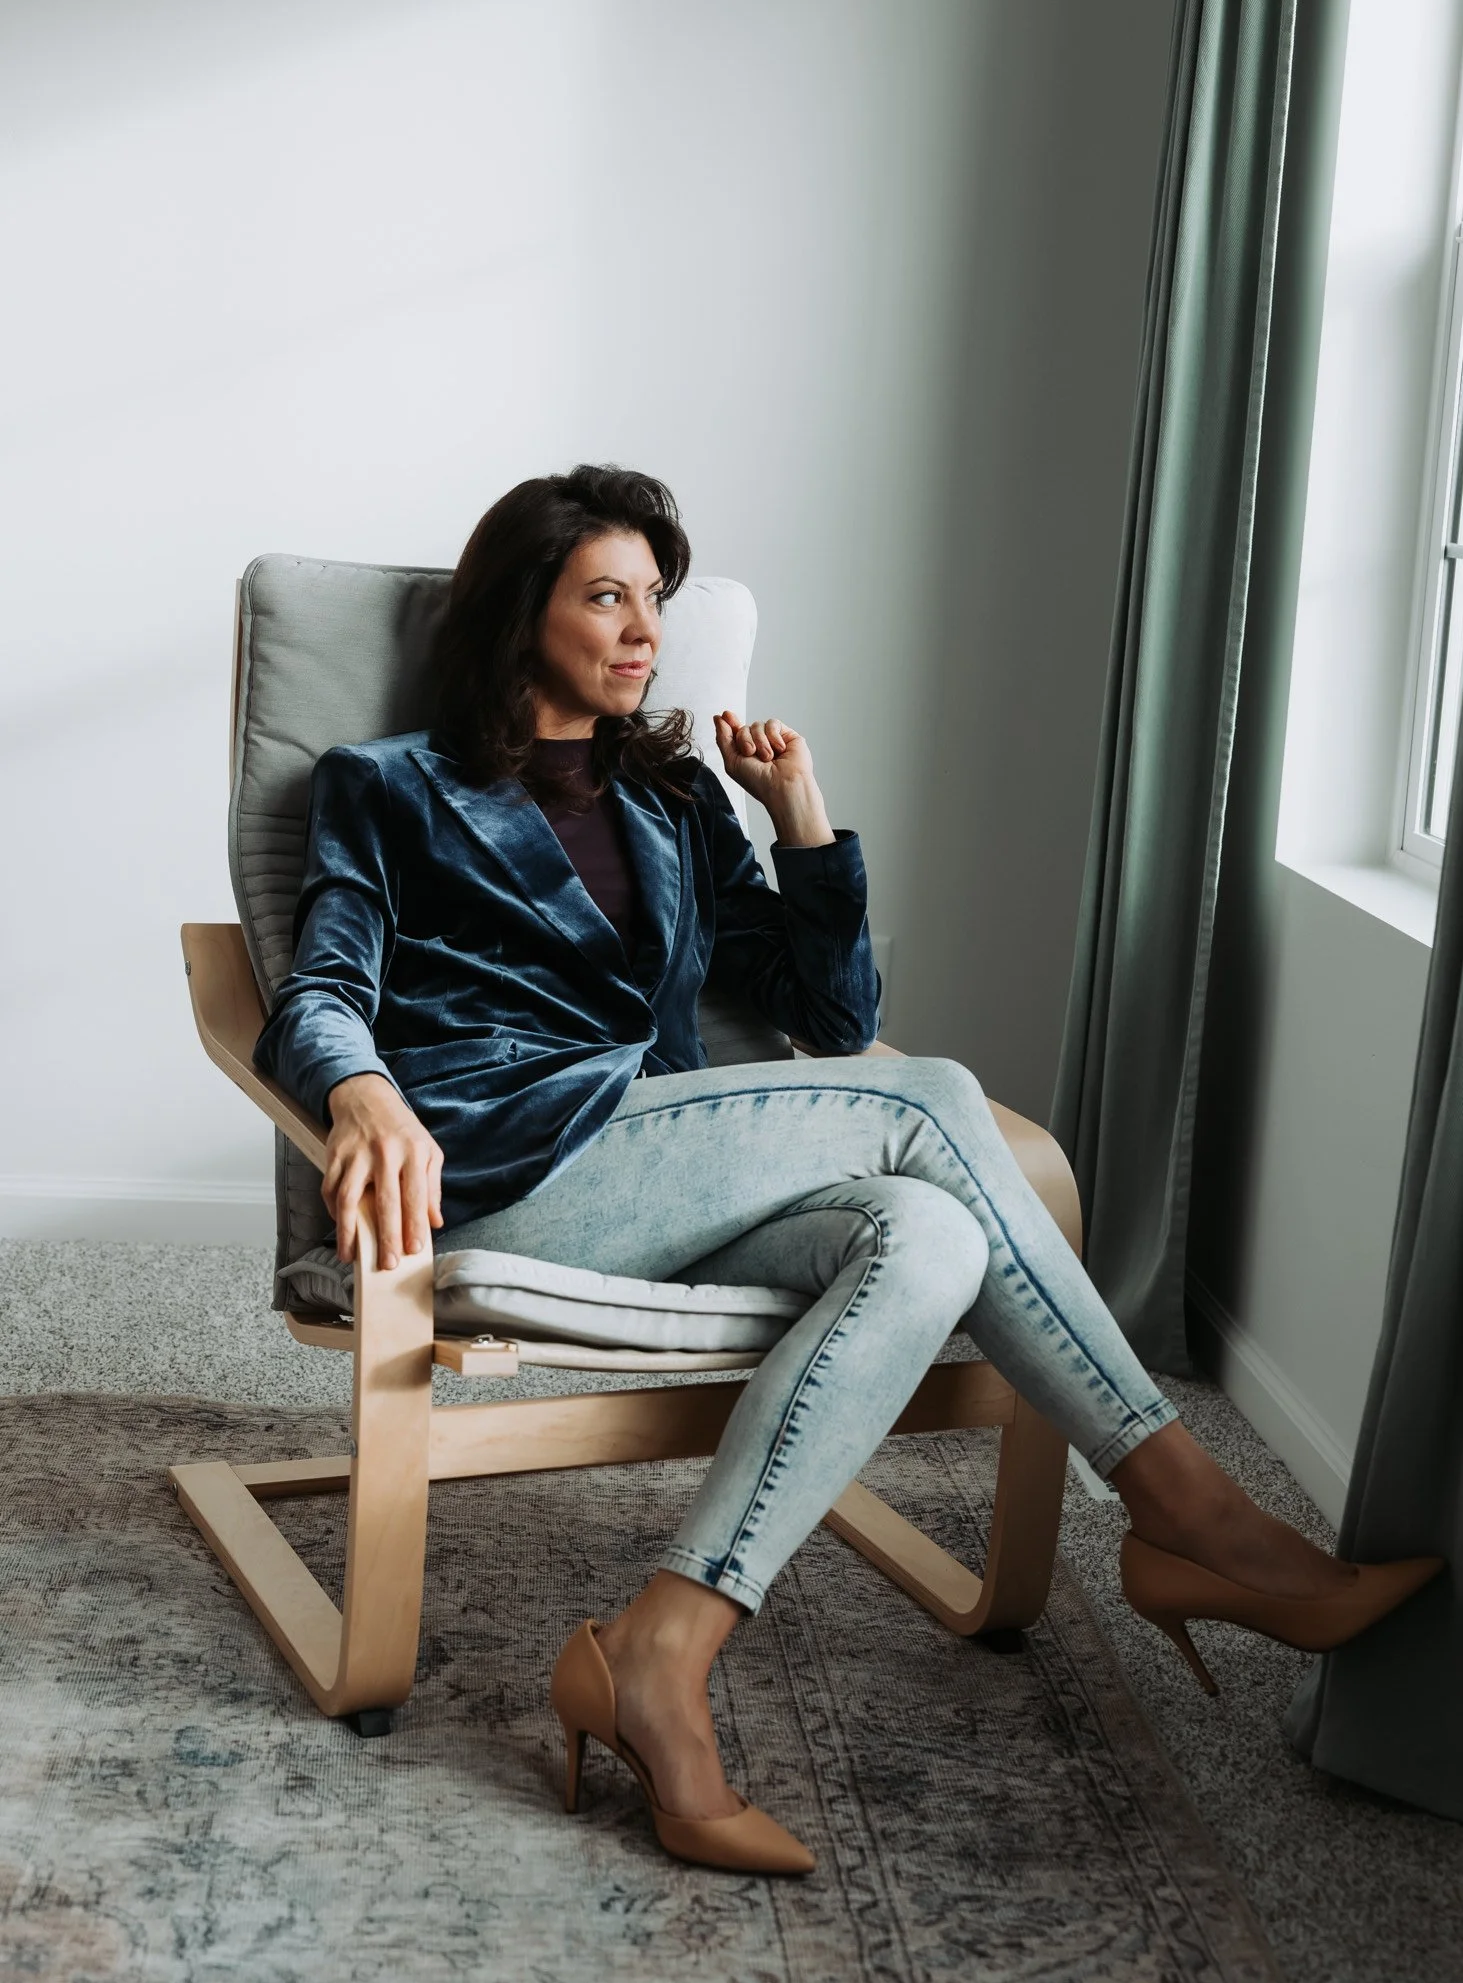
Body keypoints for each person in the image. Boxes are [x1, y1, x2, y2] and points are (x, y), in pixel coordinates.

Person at [256, 464, 1442, 1877]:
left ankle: (660, 1648)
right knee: (931, 1099)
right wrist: (366, 1086)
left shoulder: (674, 796)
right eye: (609, 597)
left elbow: (822, 1015)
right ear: (521, 613)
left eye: (656, 600)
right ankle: (1188, 1512)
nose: (646, 630)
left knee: (928, 1235)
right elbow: (321, 978)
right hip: (513, 1162)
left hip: (672, 1167)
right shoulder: (387, 786)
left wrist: (801, 820)